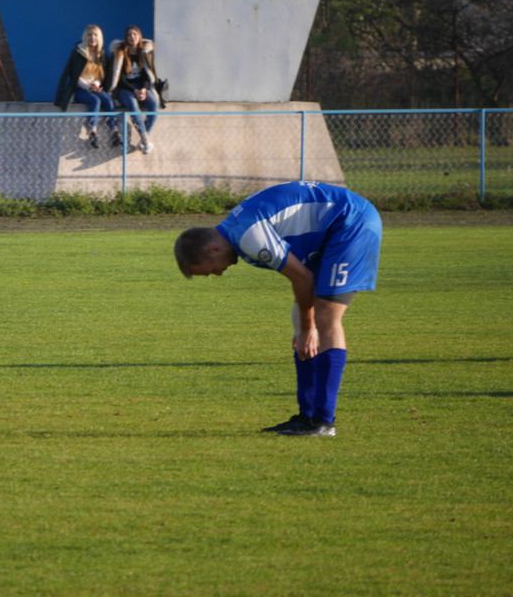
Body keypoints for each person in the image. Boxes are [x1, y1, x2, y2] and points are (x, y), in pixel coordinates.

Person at [173, 181, 382, 437]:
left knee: (325, 317)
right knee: (301, 318)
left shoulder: (249, 236)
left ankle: (323, 422)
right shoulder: (236, 230)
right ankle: (307, 416)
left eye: (210, 270)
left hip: (351, 222)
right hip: (329, 231)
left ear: (213, 249)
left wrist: (307, 329)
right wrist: (303, 326)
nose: (217, 274)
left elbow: (302, 278)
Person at [54, 24, 119, 149]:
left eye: (95, 35)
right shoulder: (78, 53)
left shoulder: (101, 54)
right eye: (89, 35)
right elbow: (73, 76)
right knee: (95, 101)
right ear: (85, 37)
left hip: (94, 87)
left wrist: (97, 83)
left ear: (99, 38)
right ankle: (92, 132)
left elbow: (103, 75)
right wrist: (87, 86)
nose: (92, 38)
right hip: (80, 89)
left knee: (107, 100)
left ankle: (115, 132)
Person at [108, 25, 160, 154]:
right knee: (133, 105)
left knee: (154, 104)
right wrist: (134, 91)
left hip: (141, 87)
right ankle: (146, 139)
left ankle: (144, 139)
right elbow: (119, 78)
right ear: (126, 38)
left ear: (139, 37)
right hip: (125, 89)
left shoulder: (144, 53)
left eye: (135, 34)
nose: (132, 37)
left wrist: (143, 89)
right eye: (129, 35)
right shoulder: (120, 53)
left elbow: (147, 75)